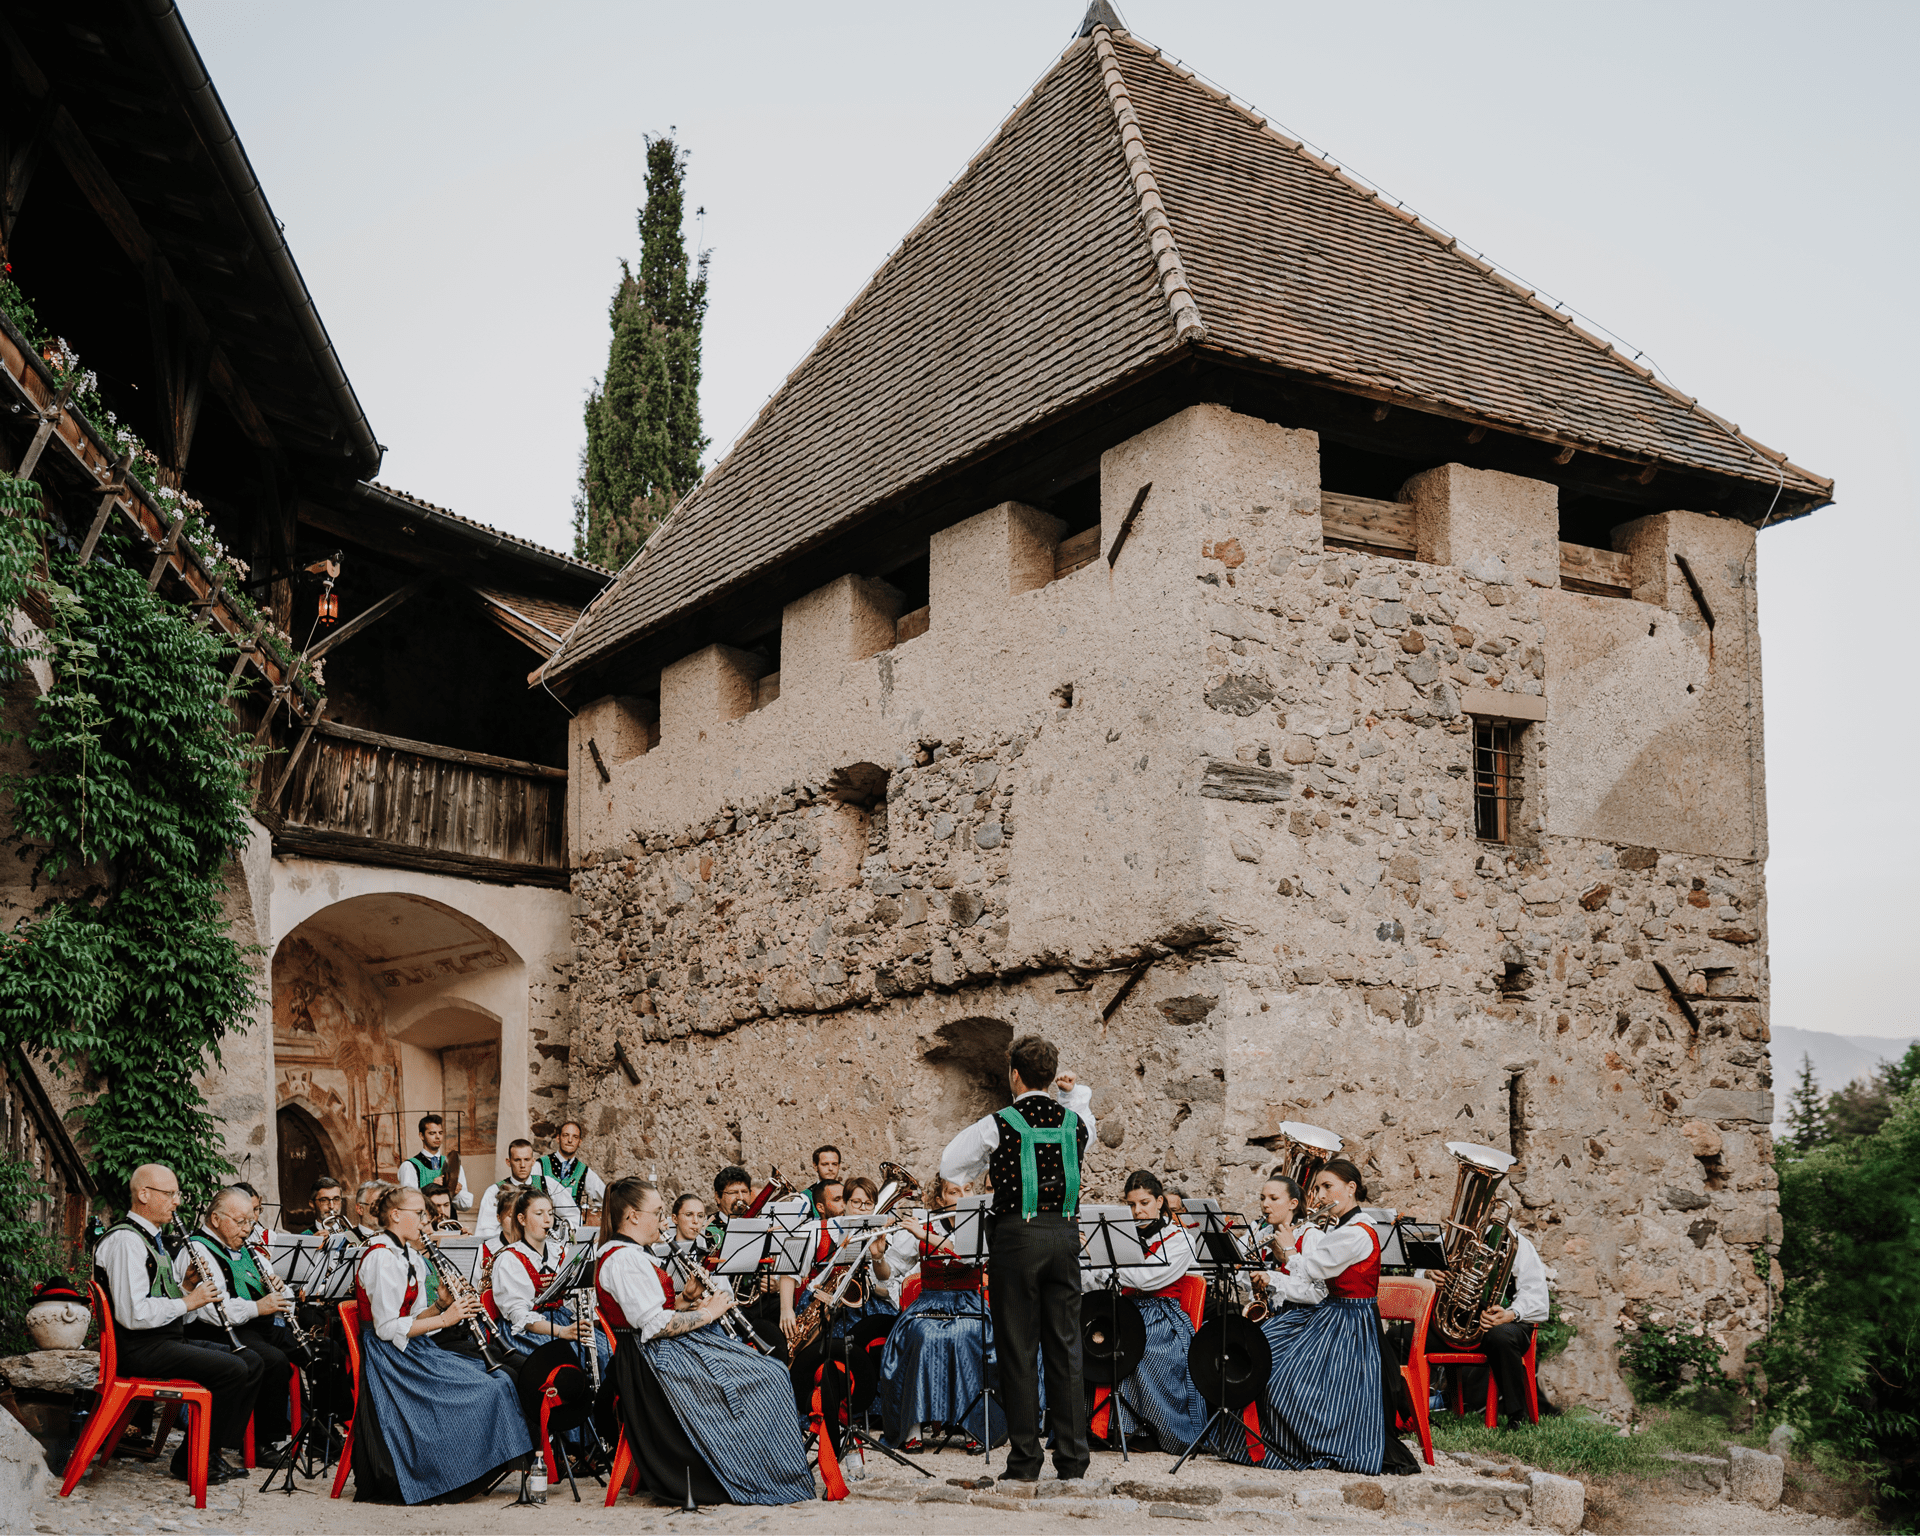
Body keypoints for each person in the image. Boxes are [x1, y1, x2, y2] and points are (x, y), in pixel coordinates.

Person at [596, 1178, 814, 1505]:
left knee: (771, 1371)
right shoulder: (623, 1259)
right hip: (653, 1363)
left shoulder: (633, 1254)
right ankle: (750, 1470)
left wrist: (686, 1298)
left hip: (663, 1350)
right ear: (633, 1216)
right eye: (657, 1213)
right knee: (769, 1377)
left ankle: (766, 1465)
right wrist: (710, 1312)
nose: (664, 1221)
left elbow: (656, 1313)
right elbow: (656, 1325)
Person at [940, 1034, 1092, 1484]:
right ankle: (1072, 1461)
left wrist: (979, 1173)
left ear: (1015, 1075)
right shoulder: (1075, 1120)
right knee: (1066, 1348)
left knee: (1018, 1348)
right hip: (1064, 1236)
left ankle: (1025, 1461)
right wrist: (1070, 1092)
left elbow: (951, 1166)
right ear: (1050, 1075)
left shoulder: (997, 1123)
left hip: (1015, 1240)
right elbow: (1086, 1116)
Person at [348, 1185, 532, 1504]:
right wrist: (446, 1320)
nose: (424, 1221)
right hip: (390, 1358)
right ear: (394, 1215)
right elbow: (387, 1328)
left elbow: (411, 1315)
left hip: (412, 1347)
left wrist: (441, 1305)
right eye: (418, 1214)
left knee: (499, 1379)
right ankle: (448, 1473)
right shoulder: (380, 1256)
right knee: (487, 1389)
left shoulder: (407, 1253)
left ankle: (472, 1469)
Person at [93, 1164, 264, 1487]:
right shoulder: (126, 1241)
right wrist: (190, 1301)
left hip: (161, 1342)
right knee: (232, 1369)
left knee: (251, 1360)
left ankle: (209, 1452)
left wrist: (186, 1288)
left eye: (177, 1194)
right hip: (138, 1349)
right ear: (144, 1195)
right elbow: (133, 1314)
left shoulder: (152, 1240)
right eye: (170, 1194)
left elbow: (164, 1306)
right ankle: (190, 1460)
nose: (177, 1202)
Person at [1219, 1159, 1385, 1473]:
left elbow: (1312, 1271)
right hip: (1330, 1316)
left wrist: (1288, 1249)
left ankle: (1302, 1443)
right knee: (1262, 1354)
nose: (1320, 1195)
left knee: (1285, 1380)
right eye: (1318, 1188)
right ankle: (1256, 1439)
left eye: (1327, 1187)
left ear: (1350, 1189)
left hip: (1349, 1324)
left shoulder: (1358, 1233)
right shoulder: (1343, 1228)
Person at [1083, 1170, 1207, 1452]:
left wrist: (1104, 1260)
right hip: (1125, 1307)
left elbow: (1146, 1279)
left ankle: (1145, 1429)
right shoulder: (1119, 1236)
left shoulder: (1180, 1239)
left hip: (1163, 1315)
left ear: (1160, 1202)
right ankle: (1103, 1426)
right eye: (1131, 1205)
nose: (1137, 1211)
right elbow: (1100, 1281)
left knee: (1144, 1350)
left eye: (1144, 1203)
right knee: (1093, 1341)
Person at [878, 1176, 1000, 1452]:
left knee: (965, 1334)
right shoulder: (924, 1224)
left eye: (967, 1190)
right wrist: (877, 1256)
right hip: (928, 1303)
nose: (962, 1196)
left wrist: (926, 1236)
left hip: (969, 1303)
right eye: (953, 1192)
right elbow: (888, 1272)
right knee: (920, 1334)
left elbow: (970, 1256)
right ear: (940, 1200)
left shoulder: (983, 1224)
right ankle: (912, 1428)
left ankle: (974, 1427)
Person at [173, 1187, 297, 1451]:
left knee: (323, 1352)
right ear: (216, 1219)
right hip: (212, 1330)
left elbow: (284, 1294)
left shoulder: (247, 1249)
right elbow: (211, 1310)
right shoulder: (198, 1250)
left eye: (251, 1222)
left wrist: (281, 1291)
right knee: (273, 1361)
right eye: (241, 1222)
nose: (247, 1229)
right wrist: (258, 1307)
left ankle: (324, 1434)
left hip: (256, 1326)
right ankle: (261, 1443)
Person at [1428, 1228, 1550, 1427]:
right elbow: (1418, 1277)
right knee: (1400, 1338)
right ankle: (1405, 1413)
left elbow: (1537, 1296)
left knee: (1501, 1336)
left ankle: (1517, 1416)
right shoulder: (1449, 1238)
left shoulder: (1515, 1242)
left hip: (1502, 1321)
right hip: (1454, 1326)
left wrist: (1510, 1314)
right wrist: (1428, 1274)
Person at [490, 1188, 611, 1371]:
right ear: (522, 1219)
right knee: (570, 1358)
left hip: (560, 1318)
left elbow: (570, 1298)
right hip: (528, 1330)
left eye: (550, 1213)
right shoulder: (508, 1259)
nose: (548, 1220)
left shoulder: (559, 1252)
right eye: (539, 1214)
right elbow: (519, 1315)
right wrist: (562, 1332)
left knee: (603, 1350)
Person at [476, 1139, 581, 1240]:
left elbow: (572, 1215)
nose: (522, 1165)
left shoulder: (547, 1184)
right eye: (517, 1160)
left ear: (533, 1161)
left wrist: (558, 1241)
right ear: (508, 1162)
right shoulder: (495, 1191)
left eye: (526, 1160)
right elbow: (486, 1231)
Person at [397, 1113, 472, 1212]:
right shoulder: (410, 1166)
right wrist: (430, 1188)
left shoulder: (452, 1164)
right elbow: (409, 1202)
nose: (438, 1137)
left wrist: (456, 1193)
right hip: (424, 1224)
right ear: (421, 1135)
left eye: (440, 1133)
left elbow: (466, 1205)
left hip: (449, 1224)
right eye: (432, 1133)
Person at [538, 1120, 605, 1219]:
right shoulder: (541, 1165)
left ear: (579, 1142)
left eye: (575, 1137)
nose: (570, 1140)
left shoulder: (583, 1171)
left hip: (572, 1229)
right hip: (544, 1226)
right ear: (558, 1138)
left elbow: (605, 1197)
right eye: (566, 1135)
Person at [803, 1146, 842, 1217]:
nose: (831, 1168)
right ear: (815, 1166)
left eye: (834, 1164)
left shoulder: (848, 1192)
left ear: (839, 1166)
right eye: (825, 1164)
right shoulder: (804, 1198)